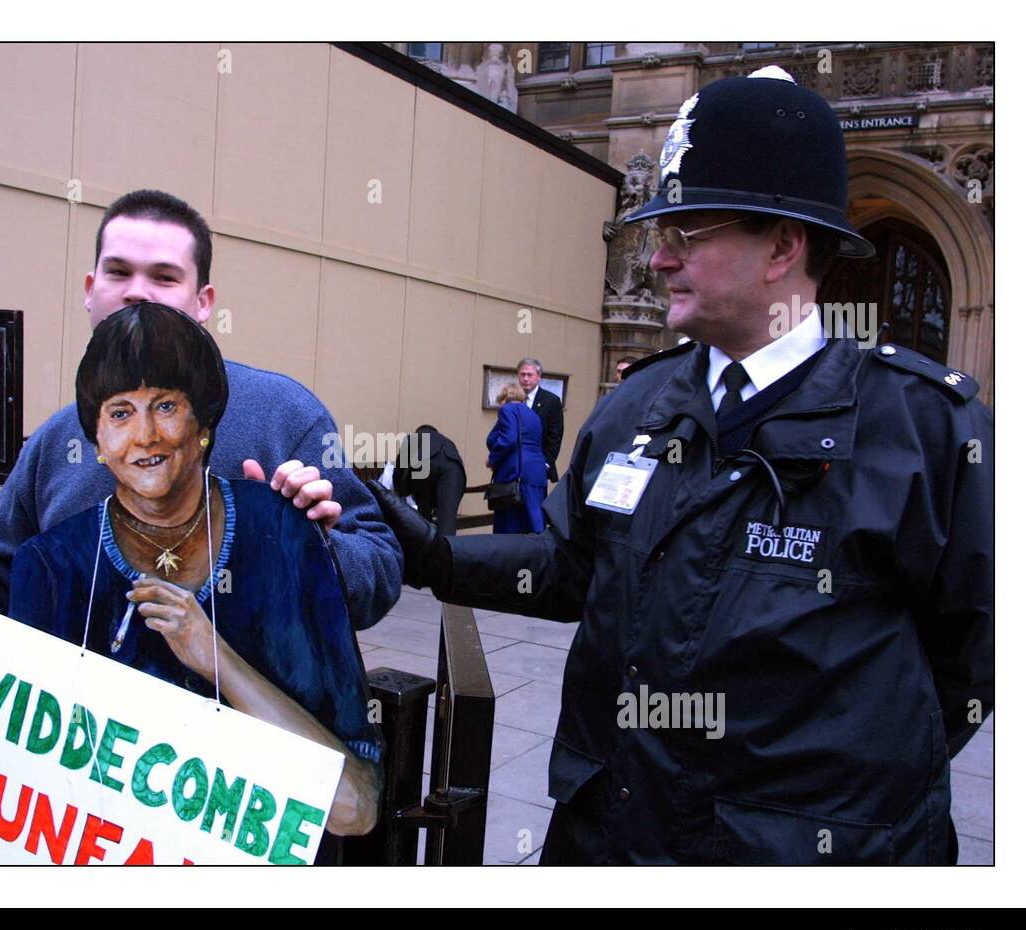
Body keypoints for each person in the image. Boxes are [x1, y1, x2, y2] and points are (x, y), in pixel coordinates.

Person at [368, 68, 993, 864]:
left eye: (684, 233)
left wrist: (849, 796)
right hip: (611, 838)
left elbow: (969, 666)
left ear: (784, 245)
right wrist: (436, 555)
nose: (657, 260)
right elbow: (570, 564)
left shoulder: (926, 431)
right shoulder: (639, 404)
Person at [0, 189, 402, 634]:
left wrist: (310, 551)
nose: (136, 291)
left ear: (203, 300)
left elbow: (380, 568)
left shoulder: (282, 416)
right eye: (118, 270)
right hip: (80, 793)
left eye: (164, 276)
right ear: (90, 290)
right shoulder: (53, 444)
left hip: (230, 800)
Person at [9, 302, 381, 842]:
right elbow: (27, 788)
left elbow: (355, 805)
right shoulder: (49, 567)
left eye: (165, 406)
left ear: (204, 423)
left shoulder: (279, 534)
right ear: (96, 440)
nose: (144, 436)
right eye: (119, 412)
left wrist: (216, 659)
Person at [486, 385, 546, 534]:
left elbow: (509, 439)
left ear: (504, 399)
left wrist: (492, 459)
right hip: (536, 472)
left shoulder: (508, 410)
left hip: (514, 472)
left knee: (509, 523)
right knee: (533, 521)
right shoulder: (534, 415)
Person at [390, 425, 466, 539]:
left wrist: (400, 490)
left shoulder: (413, 438)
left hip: (424, 465)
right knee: (448, 520)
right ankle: (448, 552)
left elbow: (400, 469)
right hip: (454, 469)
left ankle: (425, 550)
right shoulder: (447, 442)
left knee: (423, 517)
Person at [517, 358, 564, 483]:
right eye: (522, 375)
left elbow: (555, 436)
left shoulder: (551, 401)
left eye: (529, 375)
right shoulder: (512, 398)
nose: (525, 379)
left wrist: (545, 464)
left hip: (538, 466)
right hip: (513, 465)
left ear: (539, 377)